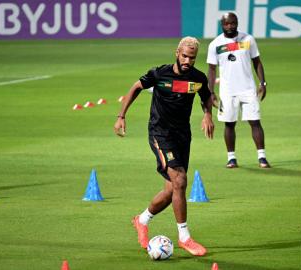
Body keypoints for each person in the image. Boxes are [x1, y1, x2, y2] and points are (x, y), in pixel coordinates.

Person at [114, 37, 214, 256]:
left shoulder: (197, 78)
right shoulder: (160, 74)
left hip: (182, 136)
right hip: (160, 133)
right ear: (177, 53)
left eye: (192, 57)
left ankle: (142, 220)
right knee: (180, 180)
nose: (188, 61)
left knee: (171, 190)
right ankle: (185, 238)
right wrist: (121, 116)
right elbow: (136, 87)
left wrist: (208, 114)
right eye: (185, 56)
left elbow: (206, 96)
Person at [207, 12, 271, 169]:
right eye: (226, 24)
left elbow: (257, 62)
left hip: (248, 89)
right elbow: (212, 70)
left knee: (255, 122)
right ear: (222, 25)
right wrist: (211, 92)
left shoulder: (248, 39)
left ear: (237, 22)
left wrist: (262, 83)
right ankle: (231, 158)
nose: (230, 26)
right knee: (229, 124)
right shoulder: (215, 44)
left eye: (233, 23)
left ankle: (262, 157)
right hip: (227, 91)